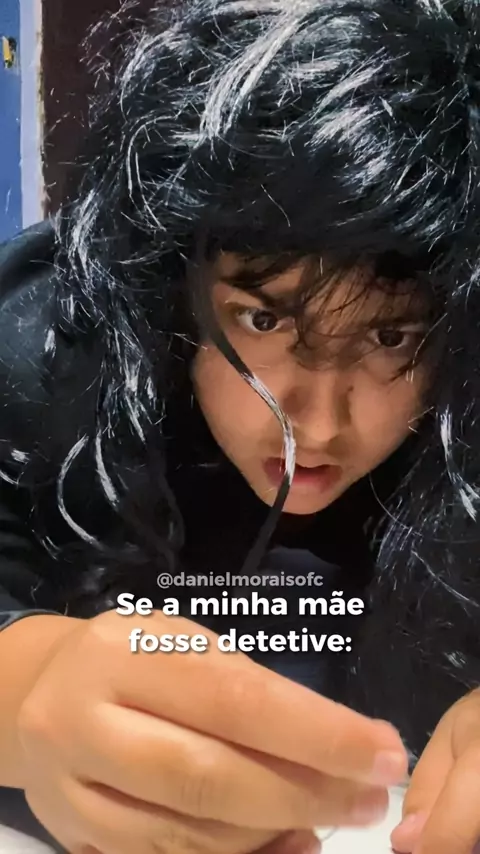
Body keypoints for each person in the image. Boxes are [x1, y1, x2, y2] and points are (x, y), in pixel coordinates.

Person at [1, 0, 480, 851]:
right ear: (174, 289)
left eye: (390, 338)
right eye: (263, 320)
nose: (315, 426)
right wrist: (23, 687)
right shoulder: (43, 346)